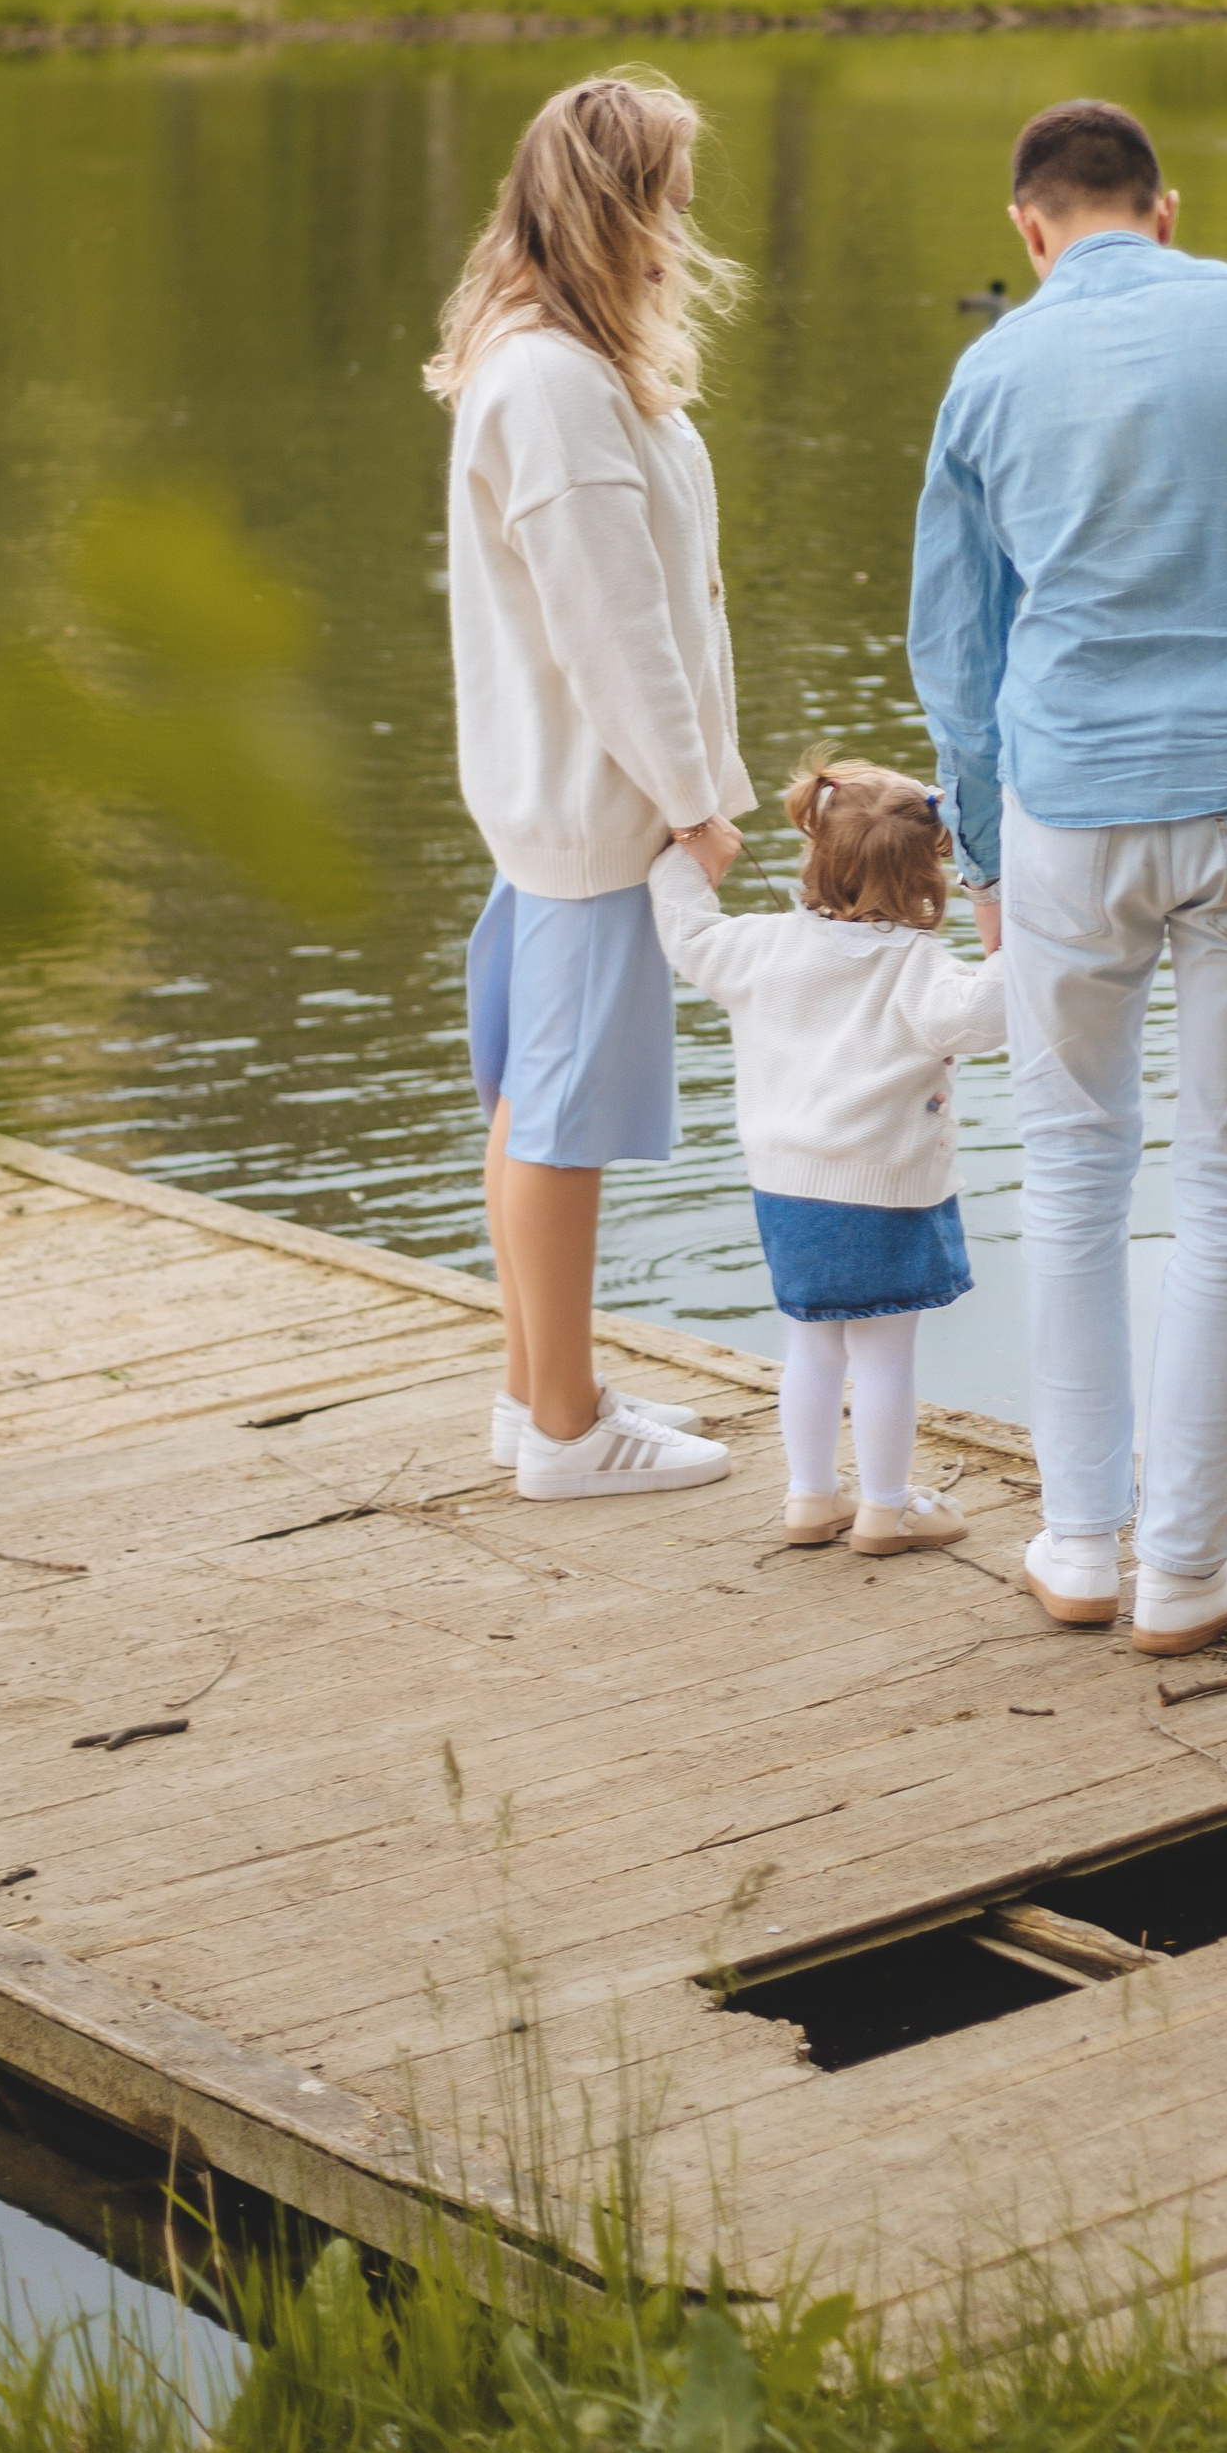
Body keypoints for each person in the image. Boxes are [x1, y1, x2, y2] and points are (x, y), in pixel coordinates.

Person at [908, 96, 1227, 1660]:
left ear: (1030, 228)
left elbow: (957, 654)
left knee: (1068, 1168)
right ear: (1166, 209)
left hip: (1068, 806)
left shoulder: (989, 369)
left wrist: (985, 846)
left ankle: (1076, 1545)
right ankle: (1187, 1565)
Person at [428, 74, 750, 1501]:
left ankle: (536, 1394)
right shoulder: (555, 380)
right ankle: (565, 1431)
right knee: (558, 1121)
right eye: (671, 190)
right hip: (597, 808)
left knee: (526, 1102)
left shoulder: (549, 355)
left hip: (555, 803)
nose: (685, 217)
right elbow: (611, 624)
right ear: (623, 205)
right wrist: (694, 801)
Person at [652, 760, 1006, 1552]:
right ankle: (886, 1507)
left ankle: (810, 1497)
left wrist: (691, 850)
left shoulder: (757, 949)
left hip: (785, 1189)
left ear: (816, 852)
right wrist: (1005, 914)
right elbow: (1000, 1006)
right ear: (928, 876)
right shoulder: (918, 972)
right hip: (887, 1192)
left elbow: (682, 925)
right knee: (884, 1354)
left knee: (810, 1343)